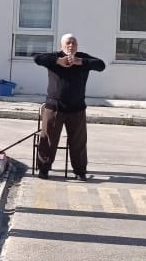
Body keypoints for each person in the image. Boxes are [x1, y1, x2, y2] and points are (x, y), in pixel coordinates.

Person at [31, 33, 104, 178]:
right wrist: (58, 61)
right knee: (48, 140)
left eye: (73, 43)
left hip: (77, 108)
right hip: (55, 107)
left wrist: (80, 61)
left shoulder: (82, 58)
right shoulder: (55, 58)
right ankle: (44, 168)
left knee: (78, 142)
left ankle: (80, 171)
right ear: (62, 46)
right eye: (68, 43)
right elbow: (37, 58)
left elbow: (101, 65)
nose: (71, 46)